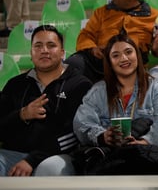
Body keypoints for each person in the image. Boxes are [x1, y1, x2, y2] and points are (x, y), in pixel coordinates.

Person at [0, 25, 92, 176]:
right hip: (15, 155)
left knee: (50, 169)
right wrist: (22, 115)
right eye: (38, 46)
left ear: (62, 53)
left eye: (51, 45)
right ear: (31, 53)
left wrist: (32, 160)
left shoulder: (79, 85)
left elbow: (74, 134)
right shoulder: (15, 85)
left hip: (56, 156)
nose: (44, 50)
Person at [73, 34, 158, 160]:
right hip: (115, 156)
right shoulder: (98, 91)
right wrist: (103, 136)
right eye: (116, 55)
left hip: (149, 155)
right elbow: (81, 123)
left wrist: (145, 142)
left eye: (128, 52)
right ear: (109, 62)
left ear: (137, 55)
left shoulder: (155, 87)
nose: (124, 58)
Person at [65, 0, 158, 83]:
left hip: (130, 64)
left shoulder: (155, 16)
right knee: (72, 64)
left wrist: (156, 48)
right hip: (100, 62)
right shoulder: (102, 12)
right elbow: (86, 35)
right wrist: (92, 48)